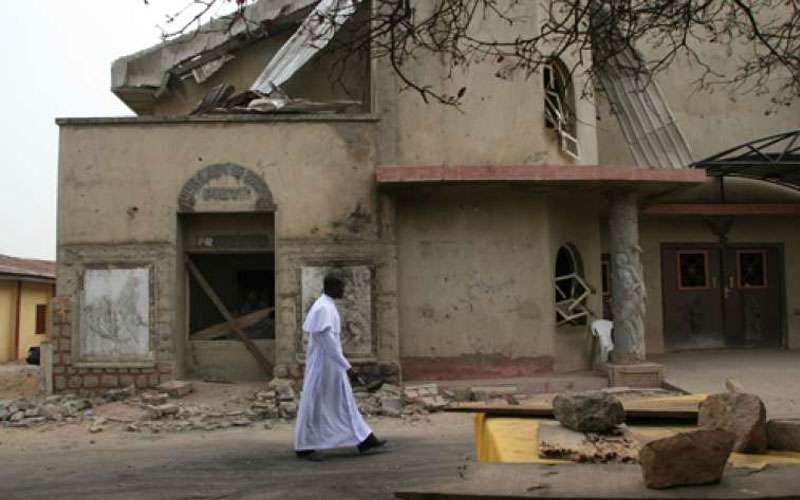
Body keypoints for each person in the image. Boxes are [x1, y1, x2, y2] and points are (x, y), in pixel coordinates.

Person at [294, 272, 386, 461]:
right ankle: (304, 446)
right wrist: (347, 367)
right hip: (323, 367)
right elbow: (328, 343)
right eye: (341, 287)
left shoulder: (327, 306)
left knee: (344, 402)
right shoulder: (323, 309)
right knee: (315, 403)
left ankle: (365, 439)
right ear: (333, 288)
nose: (344, 290)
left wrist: (342, 366)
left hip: (332, 366)